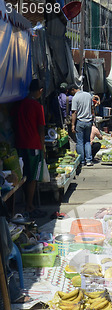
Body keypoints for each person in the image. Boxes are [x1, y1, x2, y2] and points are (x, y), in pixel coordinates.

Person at [15, 79, 47, 218]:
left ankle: (26, 204)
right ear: (40, 90)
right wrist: (43, 147)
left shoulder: (20, 104)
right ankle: (29, 205)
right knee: (33, 176)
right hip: (34, 145)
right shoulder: (37, 106)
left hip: (20, 144)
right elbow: (41, 128)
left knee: (24, 175)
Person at [69, 84, 93, 166]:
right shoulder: (88, 95)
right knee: (87, 141)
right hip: (89, 121)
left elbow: (74, 112)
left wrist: (72, 125)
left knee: (79, 142)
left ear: (73, 89)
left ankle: (82, 161)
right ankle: (89, 160)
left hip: (80, 122)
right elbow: (92, 108)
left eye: (71, 92)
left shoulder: (75, 98)